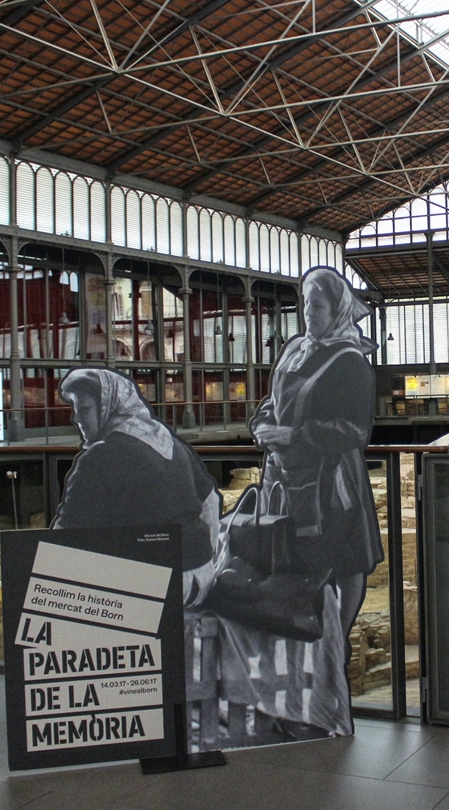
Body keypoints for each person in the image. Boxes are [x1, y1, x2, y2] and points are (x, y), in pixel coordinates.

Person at [250, 267, 382, 639]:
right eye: (306, 303)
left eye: (319, 305)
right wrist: (262, 426)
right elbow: (273, 400)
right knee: (290, 556)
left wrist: (294, 435)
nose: (309, 312)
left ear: (337, 310)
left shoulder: (349, 361)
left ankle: (335, 641)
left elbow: (354, 430)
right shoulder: (295, 349)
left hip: (331, 482)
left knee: (343, 560)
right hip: (284, 476)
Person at [51, 367, 219, 594]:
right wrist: (205, 555)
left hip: (157, 584)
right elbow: (210, 502)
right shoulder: (170, 442)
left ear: (108, 406)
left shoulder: (101, 456)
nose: (76, 418)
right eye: (75, 409)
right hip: (202, 576)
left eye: (84, 408)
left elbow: (67, 535)